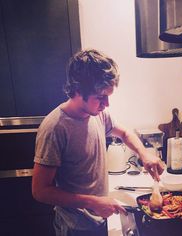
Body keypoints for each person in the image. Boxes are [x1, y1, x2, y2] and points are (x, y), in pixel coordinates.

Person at [32, 49, 164, 236]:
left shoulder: (99, 114)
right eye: (101, 97)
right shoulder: (55, 128)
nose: (107, 104)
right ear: (78, 90)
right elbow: (40, 191)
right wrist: (93, 202)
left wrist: (144, 154)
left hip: (99, 218)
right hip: (75, 227)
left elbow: (125, 133)